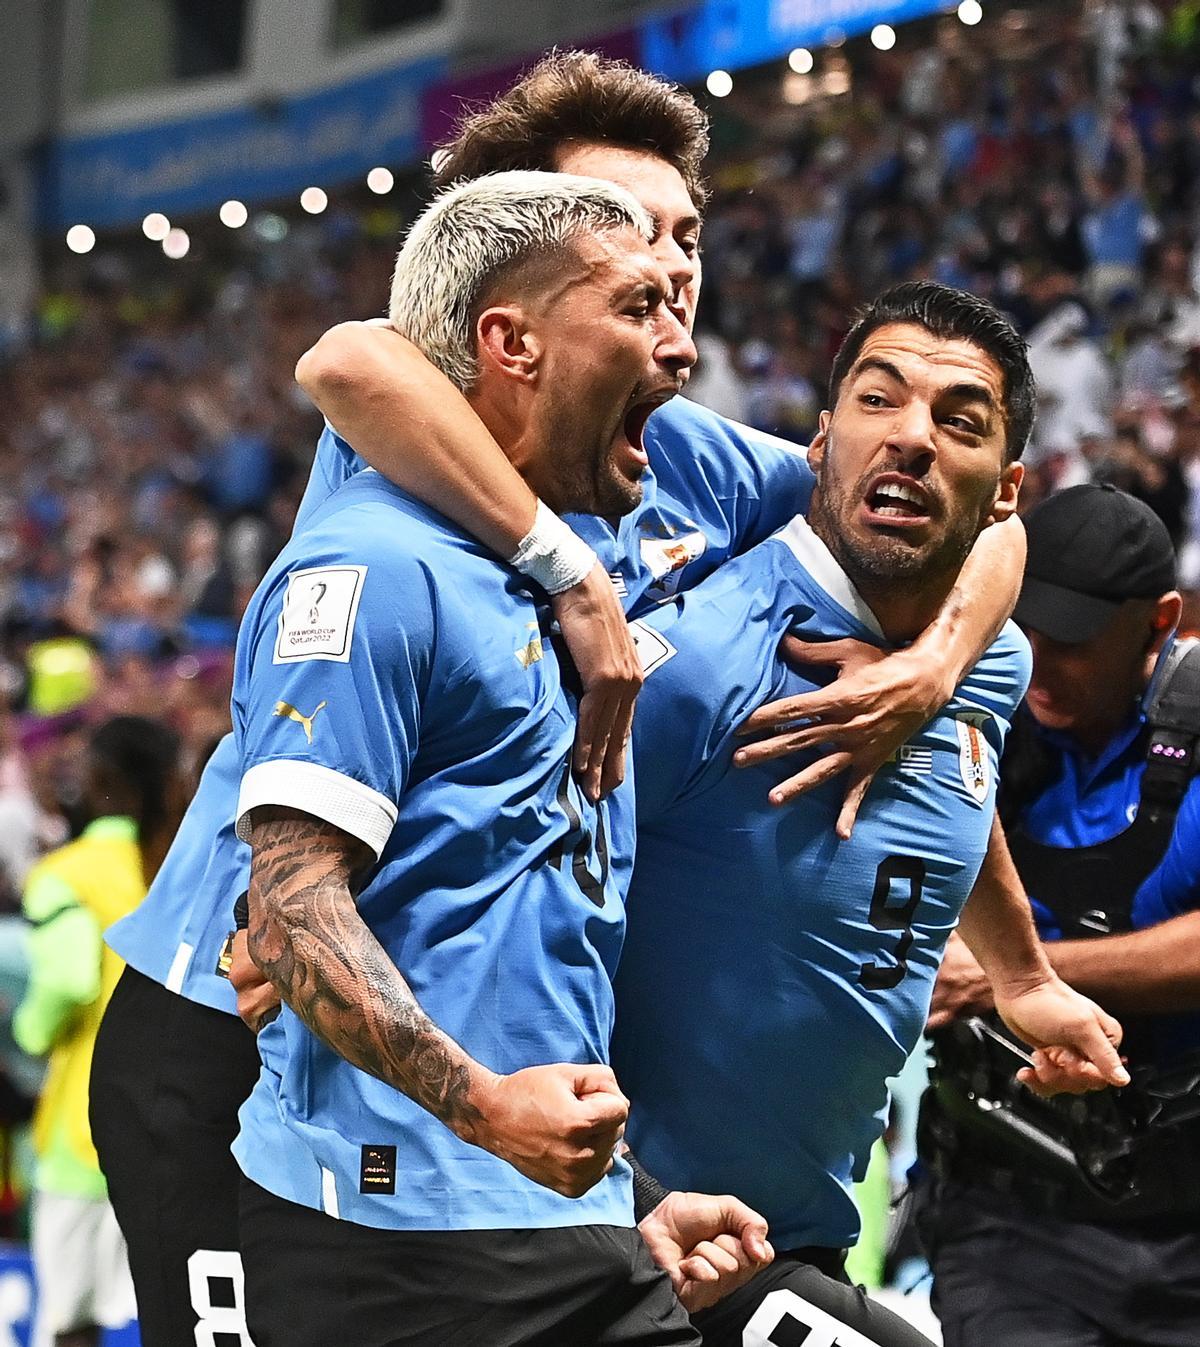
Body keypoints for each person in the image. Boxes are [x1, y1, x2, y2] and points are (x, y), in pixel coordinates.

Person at [93, 52, 1028, 1345]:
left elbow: (958, 508)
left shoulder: (690, 463)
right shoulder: (414, 415)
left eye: (685, 233)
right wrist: (569, 568)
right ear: (505, 295)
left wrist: (933, 669)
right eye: (625, 227)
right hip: (235, 1015)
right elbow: (347, 357)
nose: (671, 260)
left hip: (455, 1091)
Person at [230, 169, 763, 1347]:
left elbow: (507, 952)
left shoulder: (564, 579)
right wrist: (483, 1115)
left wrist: (626, 1208)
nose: (678, 348)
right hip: (391, 1244)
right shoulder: (373, 572)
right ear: (510, 342)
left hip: (545, 1224)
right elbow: (287, 909)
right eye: (635, 308)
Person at [610, 284, 1128, 1347]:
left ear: (1004, 493)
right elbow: (512, 919)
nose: (912, 440)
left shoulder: (985, 664)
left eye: (959, 422)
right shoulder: (700, 670)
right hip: (660, 1244)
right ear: (821, 442)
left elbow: (959, 791)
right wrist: (625, 1193)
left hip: (799, 1230)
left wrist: (1024, 978)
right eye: (878, 400)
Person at [915, 482, 1200, 1347]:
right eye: (1022, 624)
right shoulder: (968, 702)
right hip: (1010, 1222)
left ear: (1160, 621)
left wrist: (1014, 973)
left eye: (1069, 638)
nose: (1035, 658)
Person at [14, 716, 182, 1347]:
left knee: (71, 1326)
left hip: (84, 1135)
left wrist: (30, 1038)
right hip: (170, 1128)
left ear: (103, 781)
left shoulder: (67, 874)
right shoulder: (178, 871)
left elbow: (65, 981)